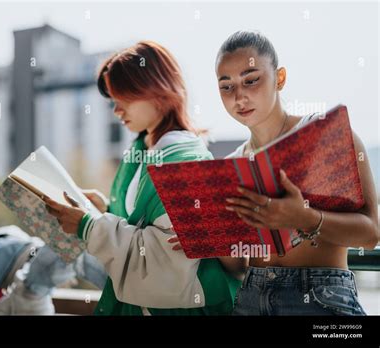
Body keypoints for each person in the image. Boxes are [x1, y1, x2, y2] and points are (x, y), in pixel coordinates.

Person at [168, 30, 378, 316]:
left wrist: (305, 218)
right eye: (226, 86)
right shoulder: (231, 167)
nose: (239, 96)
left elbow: (371, 234)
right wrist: (209, 239)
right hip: (250, 298)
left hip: (321, 297)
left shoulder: (325, 138)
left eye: (251, 80)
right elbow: (240, 266)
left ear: (279, 78)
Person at [44, 40, 244, 315]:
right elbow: (138, 228)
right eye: (113, 101)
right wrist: (103, 209)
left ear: (156, 91)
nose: (116, 110)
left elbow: (167, 264)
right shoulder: (141, 149)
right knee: (43, 251)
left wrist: (89, 225)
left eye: (123, 99)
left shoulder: (185, 162)